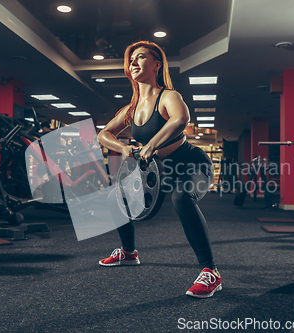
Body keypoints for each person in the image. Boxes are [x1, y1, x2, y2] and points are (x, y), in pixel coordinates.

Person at [96, 41, 221, 298]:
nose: (134, 62)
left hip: (191, 164)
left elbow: (180, 119)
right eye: (131, 59)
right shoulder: (131, 109)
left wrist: (151, 144)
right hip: (157, 171)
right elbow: (103, 134)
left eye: (140, 57)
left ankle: (211, 272)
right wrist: (121, 147)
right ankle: (128, 253)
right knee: (113, 197)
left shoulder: (168, 96)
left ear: (156, 64)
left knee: (182, 197)